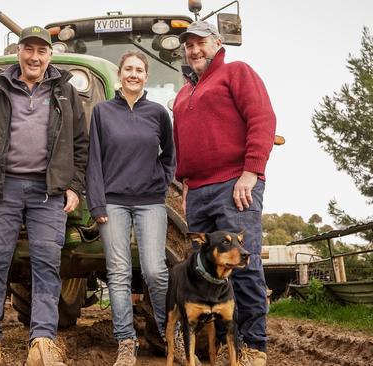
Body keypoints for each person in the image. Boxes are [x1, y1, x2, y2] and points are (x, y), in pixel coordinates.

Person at [0, 25, 88, 366]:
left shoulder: (65, 91)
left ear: (50, 55)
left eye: (41, 51)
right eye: (28, 50)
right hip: (3, 188)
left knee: (47, 265)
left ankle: (42, 344)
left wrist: (75, 186)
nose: (34, 57)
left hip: (48, 192)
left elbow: (80, 145)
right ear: (18, 52)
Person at [173, 21, 276, 366]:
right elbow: (183, 146)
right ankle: (218, 345)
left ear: (217, 42)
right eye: (189, 45)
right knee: (203, 269)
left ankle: (253, 348)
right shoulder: (183, 94)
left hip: (235, 185)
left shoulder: (237, 73)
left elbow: (262, 119)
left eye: (200, 42)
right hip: (198, 192)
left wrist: (251, 171)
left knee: (243, 265)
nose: (194, 49)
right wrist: (185, 184)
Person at [86, 51, 175, 366]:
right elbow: (93, 160)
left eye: (139, 70)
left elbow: (169, 155)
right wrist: (96, 202)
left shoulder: (158, 113)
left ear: (145, 76)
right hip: (113, 202)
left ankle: (169, 332)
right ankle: (126, 342)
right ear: (119, 75)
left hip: (150, 201)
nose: (134, 74)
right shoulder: (102, 112)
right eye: (128, 69)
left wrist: (162, 181)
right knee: (119, 273)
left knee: (155, 270)